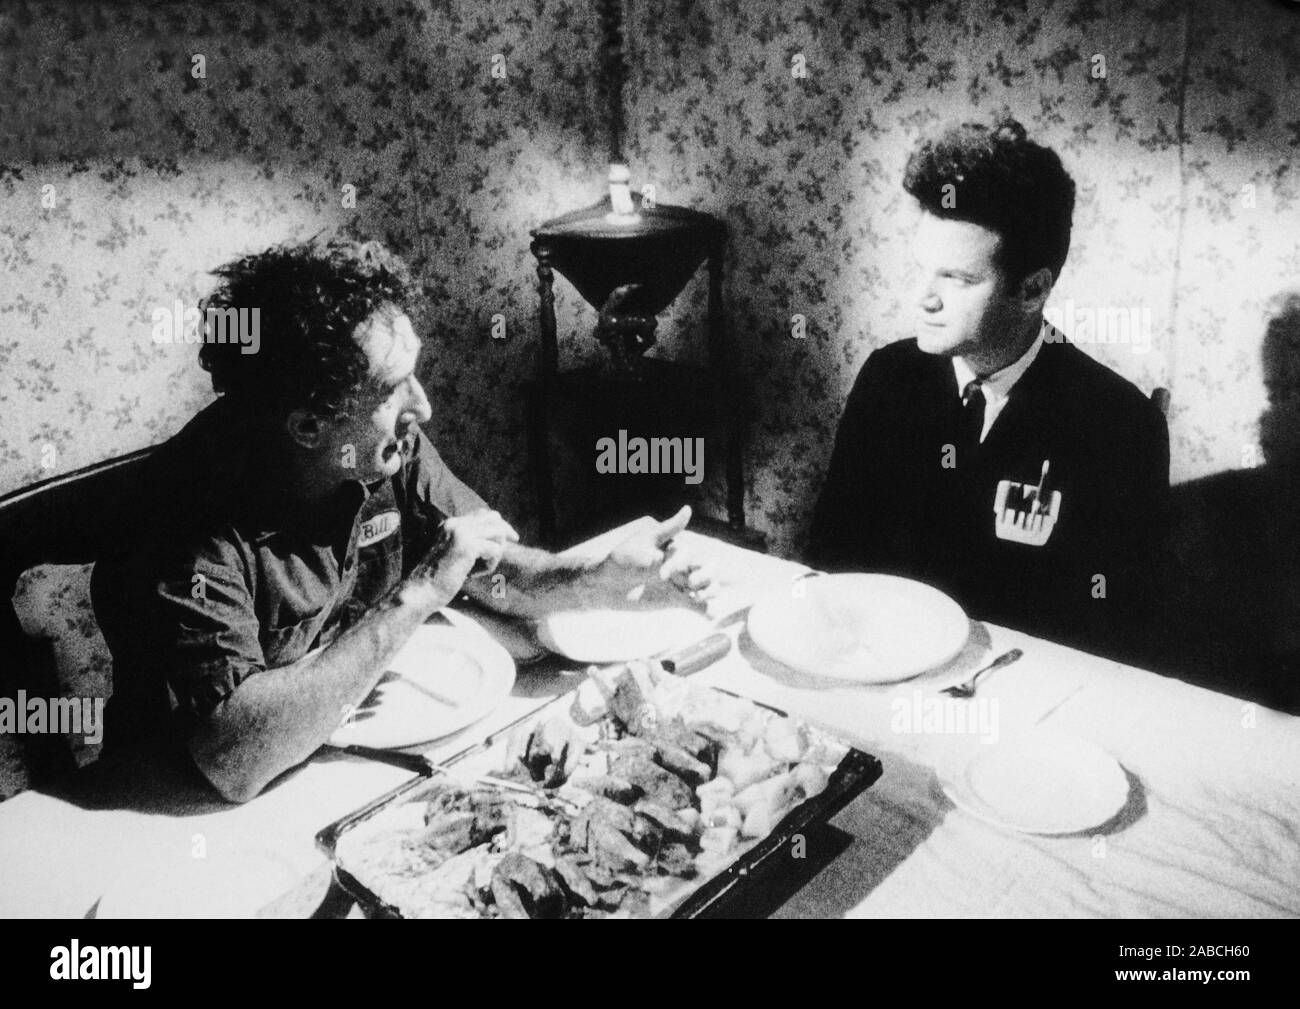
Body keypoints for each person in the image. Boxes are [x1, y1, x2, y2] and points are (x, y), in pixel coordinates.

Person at [92, 238, 711, 803]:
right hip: (180, 805)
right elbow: (233, 760)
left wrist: (594, 577)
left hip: (342, 752)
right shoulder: (187, 524)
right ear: (309, 426)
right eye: (394, 388)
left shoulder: (383, 447)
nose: (425, 406)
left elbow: (483, 564)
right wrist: (419, 594)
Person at [808, 117, 1170, 660]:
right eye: (921, 270)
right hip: (875, 672)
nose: (923, 299)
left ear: (1032, 290)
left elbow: (1115, 636)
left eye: (956, 278)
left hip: (1023, 702)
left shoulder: (1118, 426)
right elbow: (831, 560)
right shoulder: (888, 378)